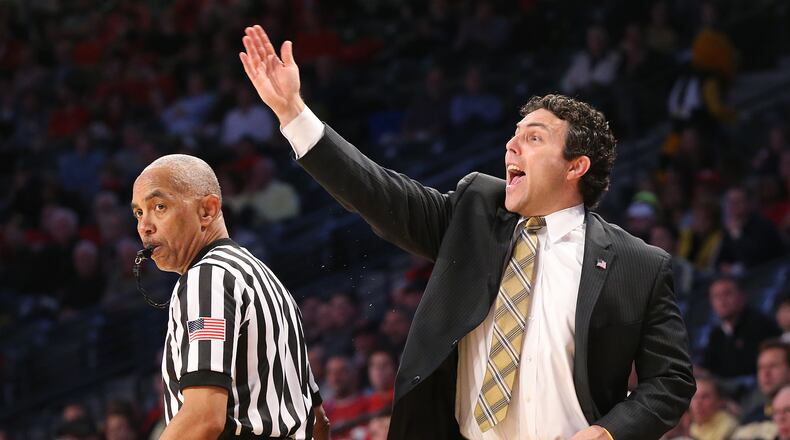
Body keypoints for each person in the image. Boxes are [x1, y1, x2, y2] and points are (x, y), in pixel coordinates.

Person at [239, 25, 695, 440]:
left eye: (534, 138)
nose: (511, 145)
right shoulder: (476, 211)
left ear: (576, 166)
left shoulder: (638, 264)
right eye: (514, 135)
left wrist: (608, 433)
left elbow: (671, 381)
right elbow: (381, 193)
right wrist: (294, 113)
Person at [130, 154, 328, 439]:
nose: (144, 226)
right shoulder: (270, 282)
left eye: (159, 206)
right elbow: (319, 421)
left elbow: (203, 417)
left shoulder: (207, 278)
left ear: (208, 210)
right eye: (139, 213)